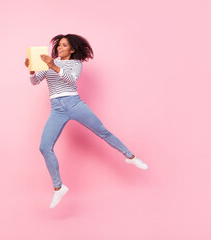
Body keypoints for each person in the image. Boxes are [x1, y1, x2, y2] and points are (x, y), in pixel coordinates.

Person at [24, 34, 148, 209]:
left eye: (64, 45)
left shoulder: (75, 64)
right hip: (57, 109)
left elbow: (71, 79)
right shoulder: (48, 63)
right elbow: (35, 81)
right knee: (44, 147)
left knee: (102, 132)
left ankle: (131, 156)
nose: (59, 48)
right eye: (58, 45)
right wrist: (31, 70)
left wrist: (53, 66)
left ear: (72, 49)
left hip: (74, 103)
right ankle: (58, 187)